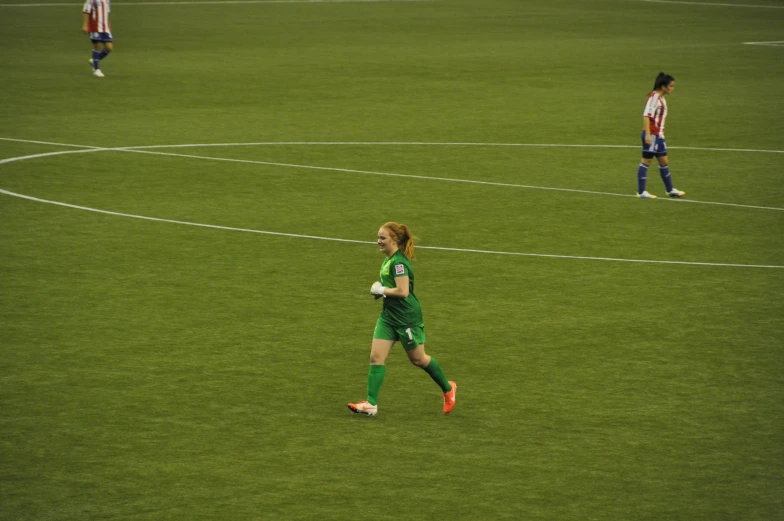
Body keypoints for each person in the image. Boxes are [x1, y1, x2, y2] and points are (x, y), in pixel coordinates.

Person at [348, 222, 456, 417]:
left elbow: (403, 292)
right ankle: (371, 404)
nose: (378, 241)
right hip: (388, 317)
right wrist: (382, 292)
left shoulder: (399, 263)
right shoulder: (389, 259)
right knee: (375, 358)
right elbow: (393, 289)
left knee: (418, 359)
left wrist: (381, 290)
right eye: (378, 237)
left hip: (406, 318)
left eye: (382, 238)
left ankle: (448, 389)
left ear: (394, 240)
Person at [635, 72, 686, 199]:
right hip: (652, 135)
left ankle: (670, 190)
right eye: (671, 86)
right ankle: (641, 192)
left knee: (663, 161)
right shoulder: (654, 99)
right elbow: (646, 116)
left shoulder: (660, 98)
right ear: (663, 86)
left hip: (658, 136)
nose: (672, 89)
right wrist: (648, 135)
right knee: (646, 161)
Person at [82, 0, 113, 78]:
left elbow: (107, 12)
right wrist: (85, 25)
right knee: (97, 45)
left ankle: (94, 60)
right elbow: (86, 11)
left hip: (105, 27)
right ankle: (97, 70)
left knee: (109, 47)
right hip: (94, 26)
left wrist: (108, 25)